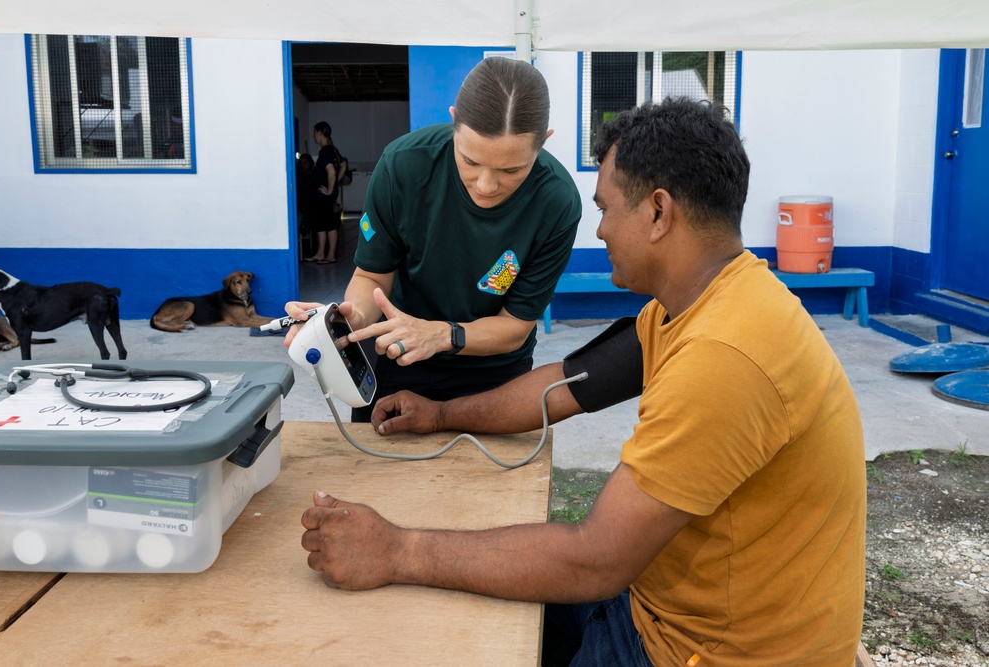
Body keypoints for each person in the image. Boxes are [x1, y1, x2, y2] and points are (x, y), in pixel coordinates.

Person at [299, 98, 867, 666]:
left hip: (703, 652)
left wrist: (397, 550)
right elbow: (565, 384)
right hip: (661, 601)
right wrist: (441, 414)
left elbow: (595, 560)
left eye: (606, 209)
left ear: (659, 212)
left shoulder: (724, 358)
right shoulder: (708, 302)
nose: (599, 230)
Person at [285, 57, 582, 423]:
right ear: (454, 121)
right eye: (470, 161)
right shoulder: (403, 165)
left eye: (512, 169)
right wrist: (351, 320)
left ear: (544, 141)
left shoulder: (557, 201)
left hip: (494, 368)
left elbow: (515, 327)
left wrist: (442, 335)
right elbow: (372, 276)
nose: (486, 185)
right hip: (398, 354)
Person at [304, 121, 342, 264]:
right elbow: (343, 164)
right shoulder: (333, 150)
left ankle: (329, 255)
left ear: (320, 133)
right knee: (324, 225)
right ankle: (321, 254)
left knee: (328, 225)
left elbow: (331, 172)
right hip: (325, 197)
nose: (313, 136)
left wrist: (330, 190)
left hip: (324, 197)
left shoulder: (325, 151)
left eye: (315, 133)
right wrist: (334, 185)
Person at [295, 153, 318, 260]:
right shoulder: (298, 178)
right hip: (302, 209)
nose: (303, 165)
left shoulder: (315, 177)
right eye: (301, 163)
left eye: (305, 163)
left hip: (311, 210)